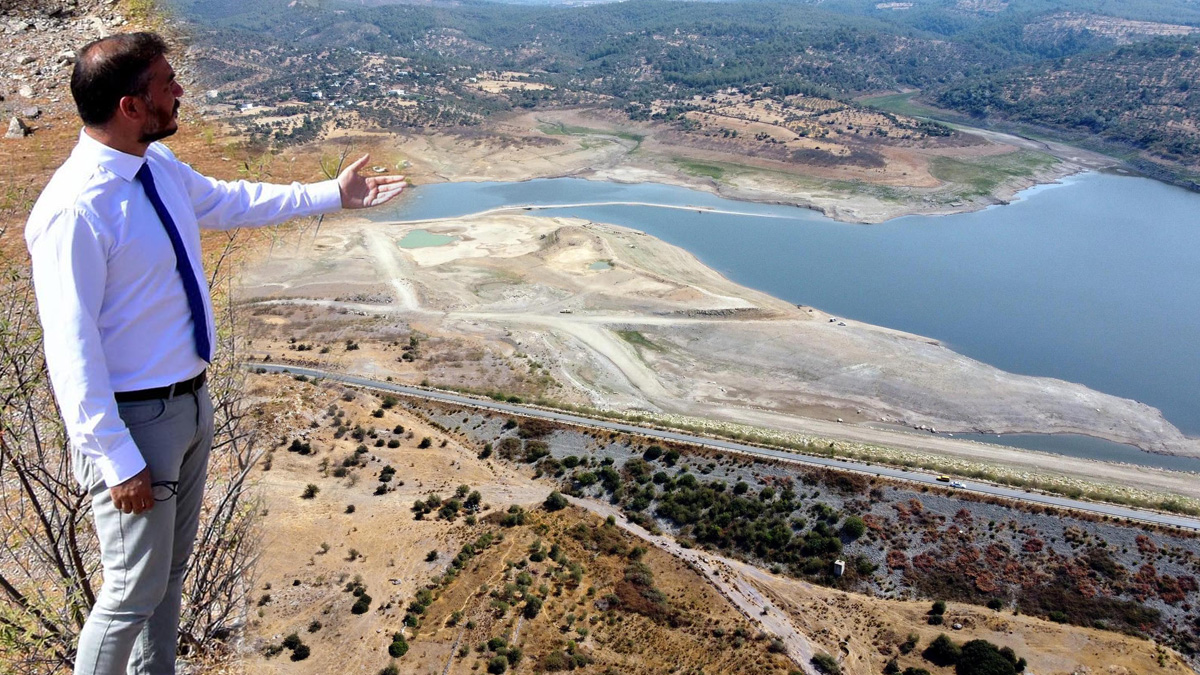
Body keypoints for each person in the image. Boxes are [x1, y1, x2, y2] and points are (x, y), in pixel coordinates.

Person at [24, 32, 406, 675]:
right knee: (127, 596)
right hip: (134, 425)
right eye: (166, 84)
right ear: (130, 106)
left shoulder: (157, 167)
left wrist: (330, 195)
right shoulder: (74, 210)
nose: (180, 92)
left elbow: (230, 201)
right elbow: (70, 349)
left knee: (167, 581)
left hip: (187, 407)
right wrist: (116, 458)